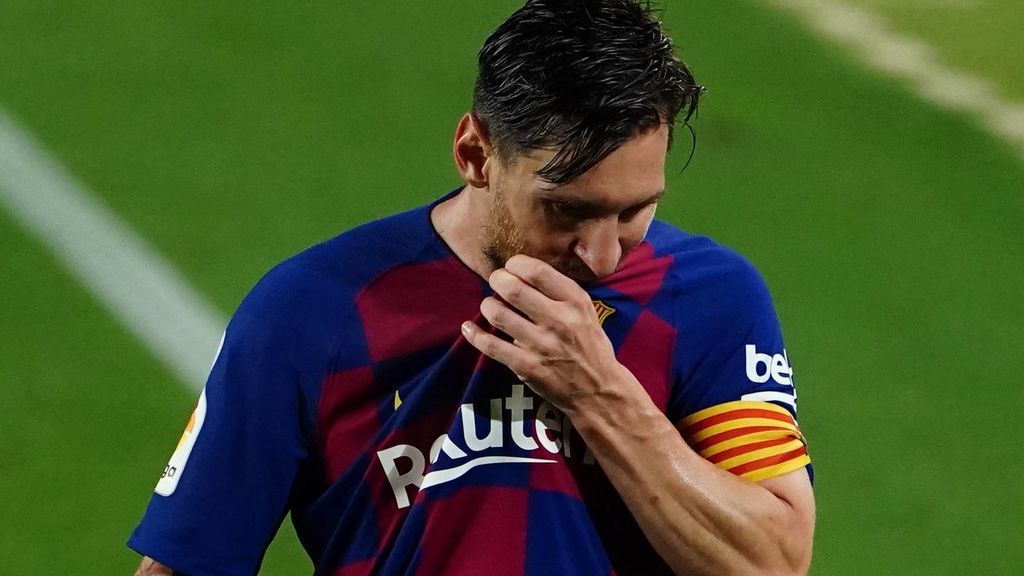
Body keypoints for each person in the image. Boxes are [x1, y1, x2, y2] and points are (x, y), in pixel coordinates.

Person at [130, 0, 815, 574]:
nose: (604, 256)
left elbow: (774, 562)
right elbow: (186, 561)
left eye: (635, 210)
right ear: (475, 154)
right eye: (568, 211)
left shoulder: (707, 297)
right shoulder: (315, 309)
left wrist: (599, 396)